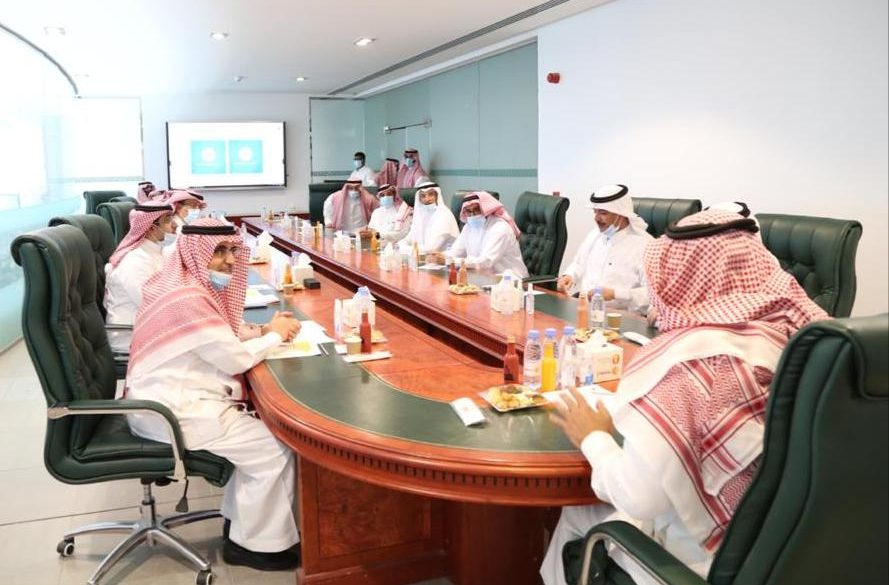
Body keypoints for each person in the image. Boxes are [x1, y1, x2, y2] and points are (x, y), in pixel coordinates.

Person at [540, 208, 828, 585]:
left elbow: (639, 496)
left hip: (700, 560)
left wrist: (592, 436)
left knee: (576, 513)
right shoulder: (801, 335)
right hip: (792, 550)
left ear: (682, 276)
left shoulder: (693, 363)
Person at [125, 219, 303, 571]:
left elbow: (220, 336)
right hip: (171, 412)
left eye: (232, 250)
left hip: (168, 398)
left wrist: (264, 330)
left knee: (260, 441)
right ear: (195, 252)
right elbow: (234, 358)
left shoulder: (182, 284)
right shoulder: (188, 299)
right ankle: (254, 547)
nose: (230, 260)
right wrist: (276, 336)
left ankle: (241, 528)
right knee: (274, 448)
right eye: (219, 251)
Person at [558, 184, 652, 308]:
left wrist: (615, 294)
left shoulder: (645, 246)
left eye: (603, 213)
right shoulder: (594, 235)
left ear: (621, 214)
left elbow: (653, 294)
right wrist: (569, 276)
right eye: (595, 212)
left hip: (621, 315)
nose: (596, 218)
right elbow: (579, 263)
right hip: (586, 308)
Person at [104, 202, 176, 353]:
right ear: (150, 227)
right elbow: (151, 305)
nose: (175, 225)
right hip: (131, 336)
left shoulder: (155, 251)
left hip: (153, 327)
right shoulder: (134, 260)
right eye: (168, 220)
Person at [429, 190, 528, 277]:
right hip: (483, 277)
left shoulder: (499, 228)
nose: (472, 214)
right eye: (468, 211)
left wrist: (451, 261)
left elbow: (486, 261)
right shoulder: (469, 226)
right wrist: (440, 257)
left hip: (509, 279)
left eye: (476, 210)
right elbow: (456, 251)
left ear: (486, 209)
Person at [399, 182, 459, 253]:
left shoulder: (444, 215)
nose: (427, 199)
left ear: (437, 195)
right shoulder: (420, 215)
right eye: (423, 196)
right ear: (419, 198)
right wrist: (400, 244)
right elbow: (409, 238)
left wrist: (405, 248)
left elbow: (433, 248)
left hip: (443, 258)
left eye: (431, 194)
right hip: (423, 256)